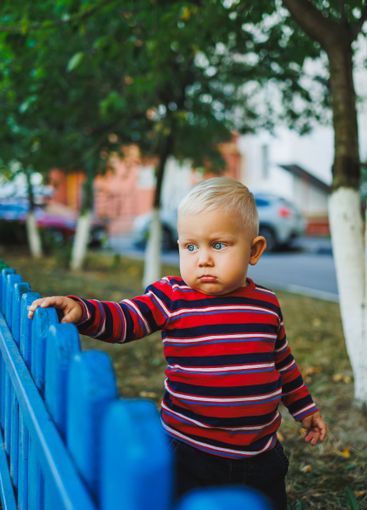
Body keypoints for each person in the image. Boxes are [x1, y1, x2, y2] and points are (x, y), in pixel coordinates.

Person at [28, 177, 327, 510]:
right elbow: (127, 318)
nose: (203, 259)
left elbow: (283, 364)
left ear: (254, 250)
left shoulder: (266, 304)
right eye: (191, 246)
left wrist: (305, 409)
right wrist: (84, 310)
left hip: (260, 454)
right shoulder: (172, 297)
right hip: (190, 449)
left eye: (219, 245)